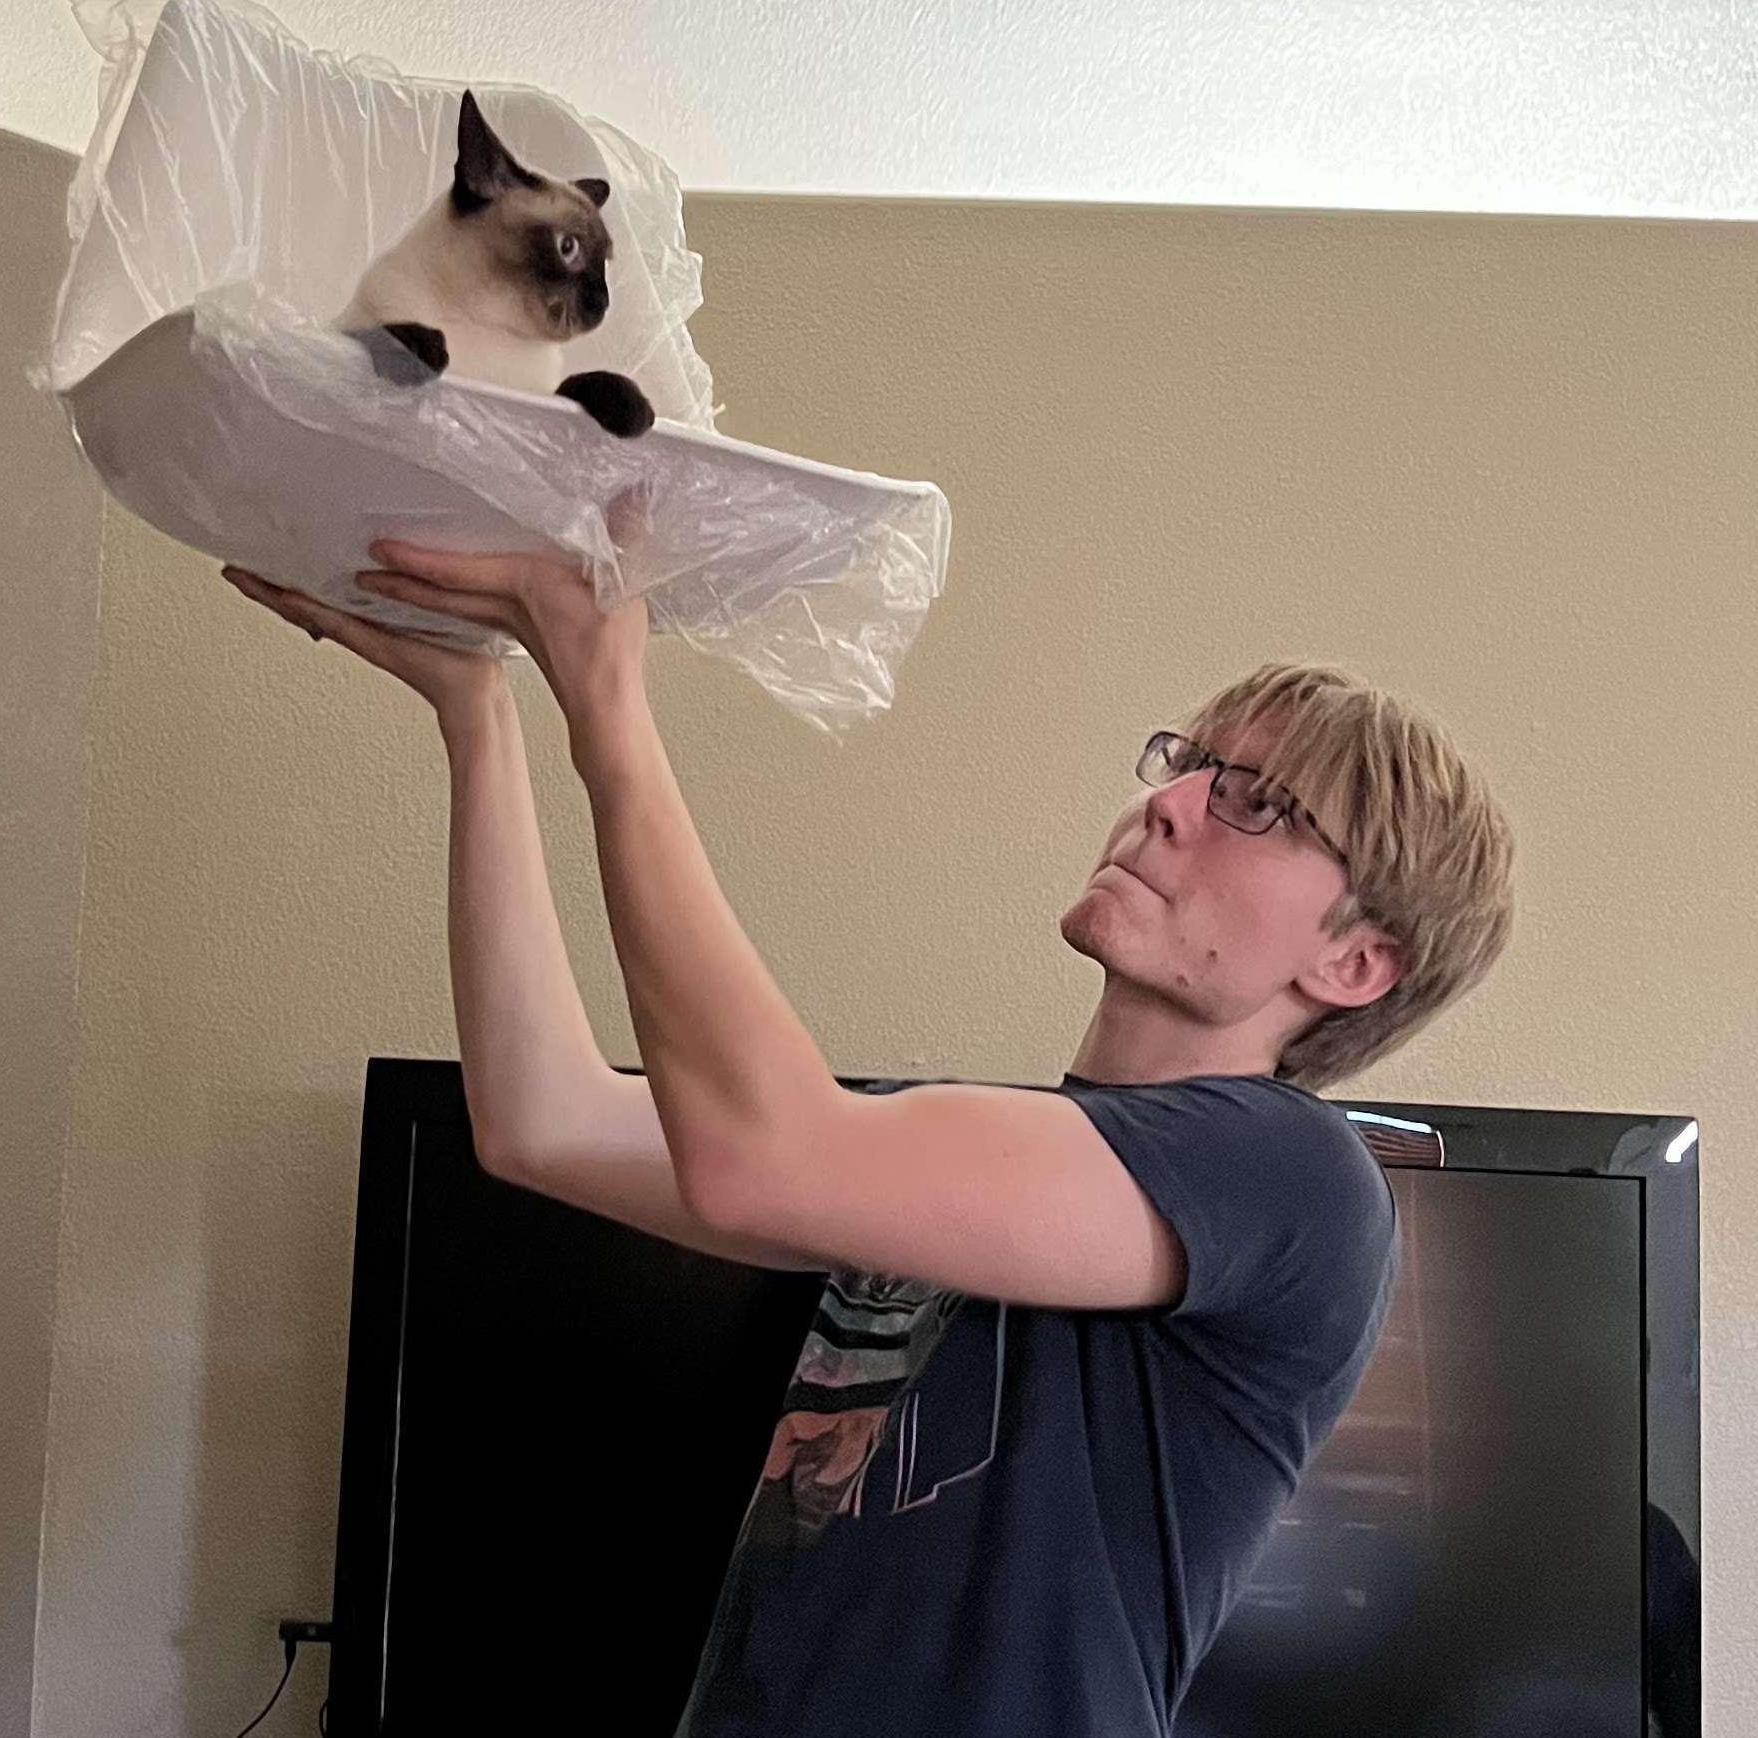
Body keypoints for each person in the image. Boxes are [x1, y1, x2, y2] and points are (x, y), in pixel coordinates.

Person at [222, 538, 1517, 1737]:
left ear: (1356, 961)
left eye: (1257, 802)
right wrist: (478, 713)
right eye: (1189, 763)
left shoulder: (1293, 1176)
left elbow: (763, 1151)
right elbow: (538, 1122)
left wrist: (606, 699)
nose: (1172, 804)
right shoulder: (964, 1158)